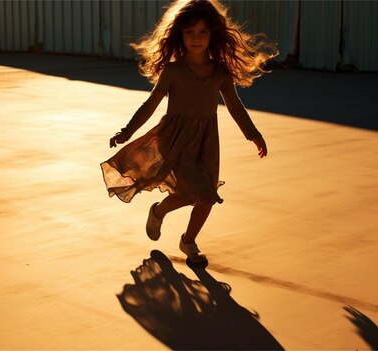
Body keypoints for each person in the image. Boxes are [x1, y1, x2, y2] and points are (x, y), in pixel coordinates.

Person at [100, 0, 278, 263]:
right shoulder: (173, 71)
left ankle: (188, 241)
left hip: (206, 142)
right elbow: (151, 104)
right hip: (174, 139)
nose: (196, 38)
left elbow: (235, 107)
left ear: (212, 35)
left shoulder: (220, 73)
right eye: (190, 32)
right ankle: (159, 212)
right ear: (179, 35)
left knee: (206, 197)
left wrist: (253, 134)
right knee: (191, 193)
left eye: (202, 32)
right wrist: (127, 131)